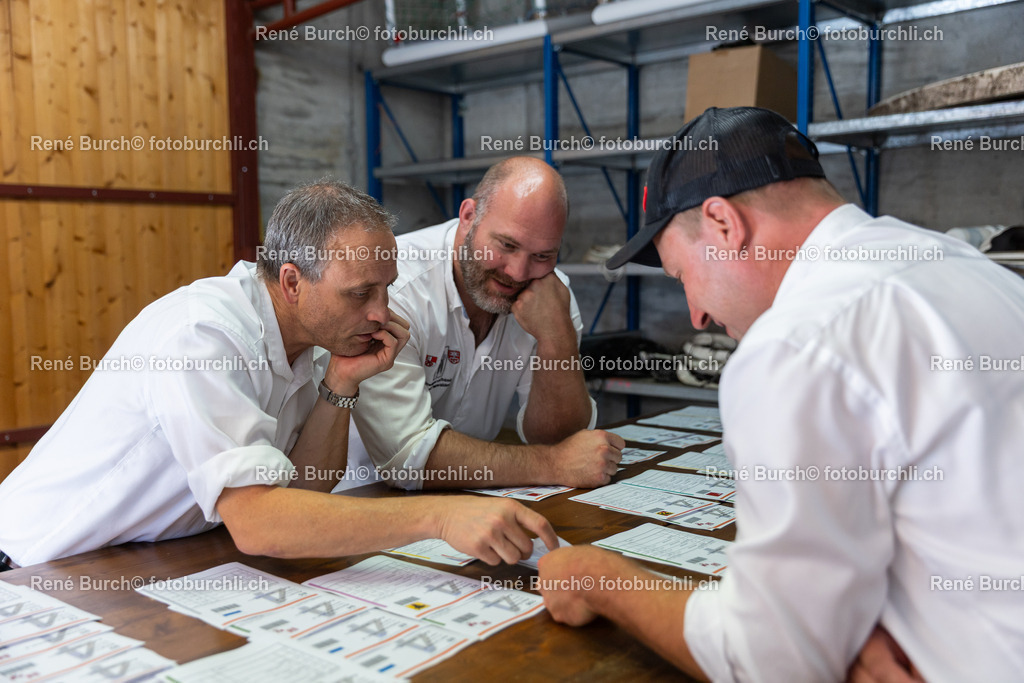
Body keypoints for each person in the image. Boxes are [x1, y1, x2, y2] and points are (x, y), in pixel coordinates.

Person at [537, 107, 1024, 681]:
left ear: (723, 224)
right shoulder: (968, 267)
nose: (697, 312)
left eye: (683, 275)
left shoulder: (795, 342)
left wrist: (601, 580)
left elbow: (768, 661)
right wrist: (868, 622)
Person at [0, 180, 556, 570]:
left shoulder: (311, 337)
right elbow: (260, 522)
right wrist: (441, 515)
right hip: (32, 563)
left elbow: (305, 489)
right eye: (360, 293)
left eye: (385, 288)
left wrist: (341, 385)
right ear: (292, 282)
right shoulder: (203, 335)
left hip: (137, 558)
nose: (381, 313)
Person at [345, 157, 624, 491]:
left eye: (543, 255)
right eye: (507, 245)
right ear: (468, 217)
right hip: (362, 498)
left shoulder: (551, 295)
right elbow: (407, 457)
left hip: (471, 498)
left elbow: (563, 441)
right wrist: (551, 465)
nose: (518, 273)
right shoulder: (393, 287)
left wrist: (556, 336)